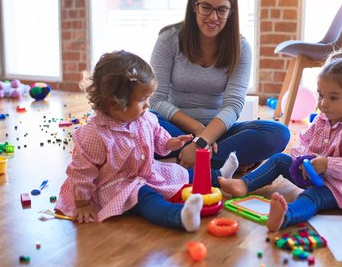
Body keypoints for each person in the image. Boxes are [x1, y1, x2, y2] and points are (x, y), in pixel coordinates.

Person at [55, 50, 240, 231]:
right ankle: (179, 216)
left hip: (146, 172)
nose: (147, 105)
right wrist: (82, 204)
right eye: (142, 99)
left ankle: (219, 177)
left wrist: (170, 143)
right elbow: (81, 172)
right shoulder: (95, 134)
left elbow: (156, 133)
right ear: (115, 103)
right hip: (118, 186)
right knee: (146, 198)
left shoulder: (144, 118)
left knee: (179, 173)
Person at [219, 50, 342, 231]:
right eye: (321, 95)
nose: (323, 103)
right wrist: (302, 160)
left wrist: (326, 164)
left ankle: (285, 216)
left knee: (313, 196)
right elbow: (303, 142)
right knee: (279, 159)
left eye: (333, 97)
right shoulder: (323, 118)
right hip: (315, 175)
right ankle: (244, 184)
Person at [149, 0, 290, 171]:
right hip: (175, 129)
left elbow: (233, 106)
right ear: (193, 6)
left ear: (231, 12)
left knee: (278, 133)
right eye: (206, 7)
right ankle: (224, 163)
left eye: (222, 10)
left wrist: (204, 140)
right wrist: (199, 132)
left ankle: (181, 163)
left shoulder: (241, 47)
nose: (213, 17)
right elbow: (156, 100)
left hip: (218, 131)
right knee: (144, 123)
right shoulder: (169, 39)